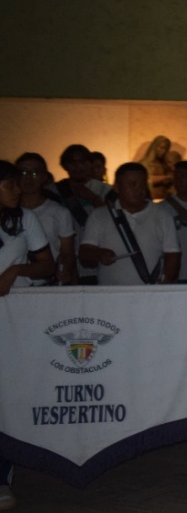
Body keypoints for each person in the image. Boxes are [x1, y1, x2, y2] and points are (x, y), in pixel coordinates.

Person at [0, 160, 55, 511]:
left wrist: (17, 269)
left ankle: (2, 475)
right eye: (10, 185)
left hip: (10, 316)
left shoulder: (24, 220)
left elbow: (47, 264)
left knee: (6, 396)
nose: (19, 190)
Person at [80, 163, 180, 285]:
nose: (139, 189)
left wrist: (165, 282)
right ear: (117, 187)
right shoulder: (99, 216)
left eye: (143, 184)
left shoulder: (162, 215)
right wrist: (99, 254)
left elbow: (172, 254)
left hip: (150, 294)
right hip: (110, 296)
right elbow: (85, 254)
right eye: (132, 184)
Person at [50, 144, 111, 284]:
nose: (78, 167)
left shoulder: (106, 191)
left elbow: (114, 221)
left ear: (90, 164)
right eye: (72, 163)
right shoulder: (53, 192)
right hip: (65, 265)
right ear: (65, 165)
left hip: (98, 262)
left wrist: (93, 198)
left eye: (83, 162)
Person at [16, 153, 77, 285]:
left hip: (46, 284)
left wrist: (64, 269)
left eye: (34, 173)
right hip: (11, 284)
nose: (28, 179)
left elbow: (67, 252)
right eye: (23, 173)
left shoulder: (59, 212)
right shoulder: (7, 213)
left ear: (44, 177)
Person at [138, 136, 175, 200]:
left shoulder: (164, 164)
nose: (163, 151)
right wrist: (167, 177)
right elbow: (147, 180)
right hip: (150, 200)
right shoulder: (145, 163)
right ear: (154, 147)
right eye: (161, 148)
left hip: (163, 199)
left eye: (166, 149)